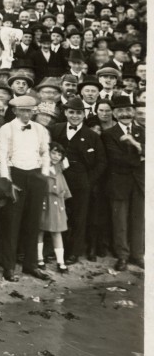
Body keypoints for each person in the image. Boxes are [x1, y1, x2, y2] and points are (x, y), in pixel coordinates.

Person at [0, 94, 53, 282]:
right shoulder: (6, 129)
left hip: (36, 176)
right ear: (14, 111)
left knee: (33, 222)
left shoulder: (40, 129)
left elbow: (46, 153)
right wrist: (6, 181)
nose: (27, 114)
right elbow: (2, 157)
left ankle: (31, 265)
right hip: (15, 176)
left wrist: (43, 175)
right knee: (12, 223)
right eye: (23, 110)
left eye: (30, 110)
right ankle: (9, 267)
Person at [48, 96, 106, 265]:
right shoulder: (55, 129)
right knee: (59, 216)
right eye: (71, 112)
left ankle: (74, 252)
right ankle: (58, 250)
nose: (75, 116)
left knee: (79, 218)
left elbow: (102, 162)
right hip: (58, 180)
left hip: (81, 183)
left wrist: (89, 180)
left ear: (84, 114)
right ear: (65, 112)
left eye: (78, 113)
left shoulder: (91, 135)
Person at [102, 95, 144, 270]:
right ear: (114, 113)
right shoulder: (108, 135)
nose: (125, 114)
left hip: (140, 183)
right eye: (120, 111)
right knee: (119, 221)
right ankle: (122, 256)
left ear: (133, 111)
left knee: (138, 220)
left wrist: (136, 144)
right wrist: (141, 156)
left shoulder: (144, 132)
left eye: (128, 110)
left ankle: (137, 255)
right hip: (118, 183)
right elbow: (115, 159)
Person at [38, 144, 72, 273]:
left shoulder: (59, 167)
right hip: (45, 201)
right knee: (39, 229)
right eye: (53, 153)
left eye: (59, 154)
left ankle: (60, 261)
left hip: (57, 203)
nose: (56, 156)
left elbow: (66, 162)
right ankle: (39, 258)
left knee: (57, 231)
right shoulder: (42, 166)